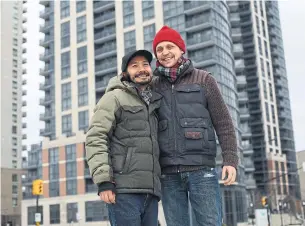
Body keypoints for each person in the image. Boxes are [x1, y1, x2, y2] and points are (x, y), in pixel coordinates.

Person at [151, 25, 239, 226]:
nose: (165, 52)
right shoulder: (153, 85)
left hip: (202, 169)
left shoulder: (204, 80)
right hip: (168, 173)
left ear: (181, 49)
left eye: (169, 47)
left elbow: (224, 123)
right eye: (160, 49)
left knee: (210, 223)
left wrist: (230, 160)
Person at [85, 50, 162, 226]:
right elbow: (96, 137)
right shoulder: (114, 97)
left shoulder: (154, 101)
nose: (141, 69)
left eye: (145, 65)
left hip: (151, 192)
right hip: (123, 191)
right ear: (125, 73)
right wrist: (104, 181)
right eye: (135, 66)